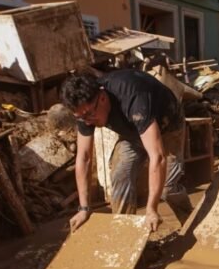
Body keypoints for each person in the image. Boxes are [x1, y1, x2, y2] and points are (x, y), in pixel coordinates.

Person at [60, 70, 193, 233]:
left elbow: (157, 157)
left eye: (89, 115)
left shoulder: (134, 97)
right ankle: (125, 234)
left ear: (102, 98)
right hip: (132, 132)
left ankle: (191, 224)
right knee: (120, 174)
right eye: (81, 118)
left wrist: (151, 208)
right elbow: (84, 157)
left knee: (167, 187)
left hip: (168, 125)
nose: (87, 121)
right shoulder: (85, 111)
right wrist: (84, 208)